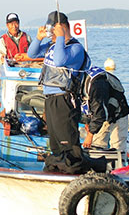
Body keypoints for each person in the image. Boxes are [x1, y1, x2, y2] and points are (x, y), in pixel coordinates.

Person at [27, 11, 97, 174]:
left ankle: (74, 168)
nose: (51, 33)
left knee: (67, 140)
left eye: (54, 29)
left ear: (63, 27)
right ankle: (58, 166)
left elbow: (59, 60)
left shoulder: (75, 48)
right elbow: (31, 54)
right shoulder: (52, 45)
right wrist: (39, 38)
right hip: (50, 98)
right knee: (55, 140)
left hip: (65, 99)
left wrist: (60, 37)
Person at [81, 66, 129, 152]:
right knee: (97, 146)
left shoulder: (96, 84)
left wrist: (90, 135)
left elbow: (99, 113)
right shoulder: (75, 85)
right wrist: (87, 122)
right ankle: (99, 163)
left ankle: (120, 163)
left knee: (118, 147)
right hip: (100, 113)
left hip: (118, 112)